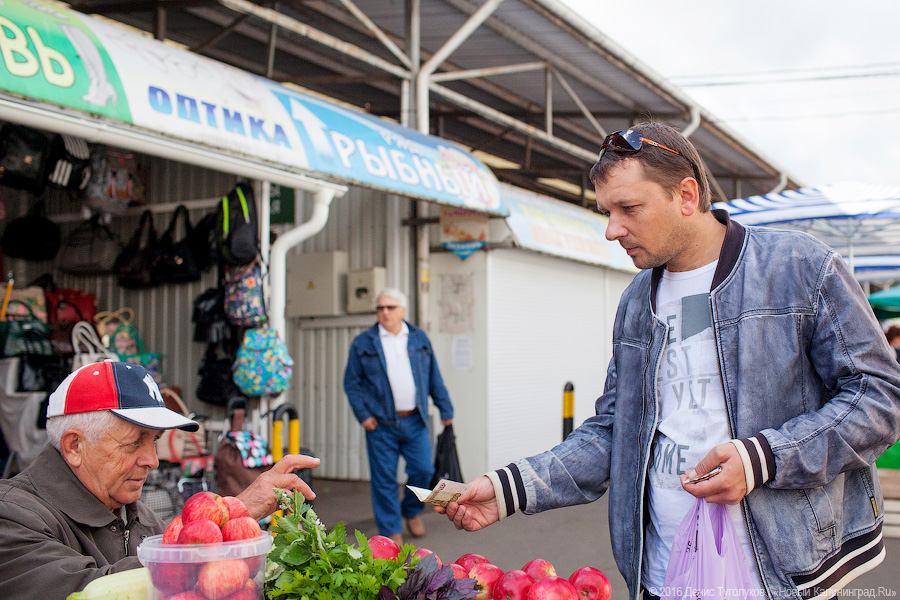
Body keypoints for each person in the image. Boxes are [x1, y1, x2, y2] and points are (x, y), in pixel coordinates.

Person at [437, 122, 900, 600]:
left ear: (686, 195)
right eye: (607, 211)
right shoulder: (636, 301)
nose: (612, 229)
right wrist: (509, 488)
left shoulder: (798, 266)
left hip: (778, 578)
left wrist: (762, 459)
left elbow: (880, 398)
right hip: (659, 576)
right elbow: (613, 431)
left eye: (629, 208)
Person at [0, 361, 319, 599]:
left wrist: (226, 518)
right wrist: (232, 514)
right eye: (133, 442)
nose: (152, 460)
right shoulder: (11, 516)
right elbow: (88, 591)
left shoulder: (140, 516)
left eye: (153, 440)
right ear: (74, 446)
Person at [344, 288, 454, 544]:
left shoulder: (418, 338)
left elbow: (433, 376)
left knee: (423, 470)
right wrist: (363, 415)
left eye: (390, 307)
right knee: (384, 479)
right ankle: (390, 529)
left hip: (415, 420)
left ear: (402, 310)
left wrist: (445, 408)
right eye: (380, 308)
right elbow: (351, 382)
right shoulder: (363, 342)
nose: (385, 312)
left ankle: (411, 511)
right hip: (381, 424)